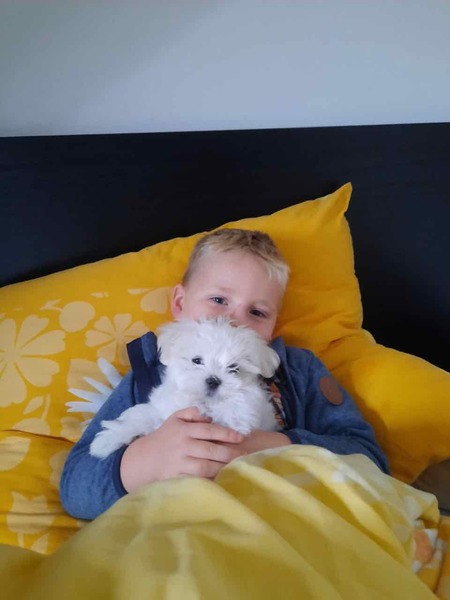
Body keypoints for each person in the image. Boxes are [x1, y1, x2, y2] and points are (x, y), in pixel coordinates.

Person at [60, 229, 389, 520]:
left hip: (282, 517)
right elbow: (75, 488)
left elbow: (370, 460)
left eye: (257, 312)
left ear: (274, 323)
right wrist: (147, 463)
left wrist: (275, 445)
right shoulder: (149, 371)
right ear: (180, 303)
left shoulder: (299, 369)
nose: (234, 320)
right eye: (218, 300)